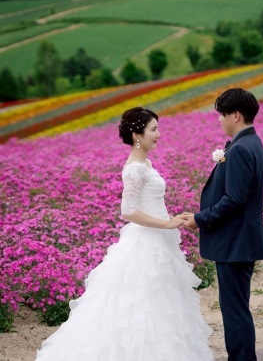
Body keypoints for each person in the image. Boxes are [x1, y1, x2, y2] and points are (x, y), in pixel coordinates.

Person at [36, 107, 213, 361]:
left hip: (159, 240)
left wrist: (171, 221)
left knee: (162, 303)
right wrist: (166, 224)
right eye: (153, 129)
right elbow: (128, 211)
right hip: (146, 242)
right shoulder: (135, 168)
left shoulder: (146, 163)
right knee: (143, 303)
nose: (158, 135)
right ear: (137, 135)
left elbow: (148, 203)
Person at [180, 88, 263, 361]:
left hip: (235, 242)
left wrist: (199, 218)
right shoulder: (252, 142)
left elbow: (234, 200)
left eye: (222, 114)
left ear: (236, 115)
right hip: (240, 241)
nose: (219, 120)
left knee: (234, 311)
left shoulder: (240, 148)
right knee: (237, 308)